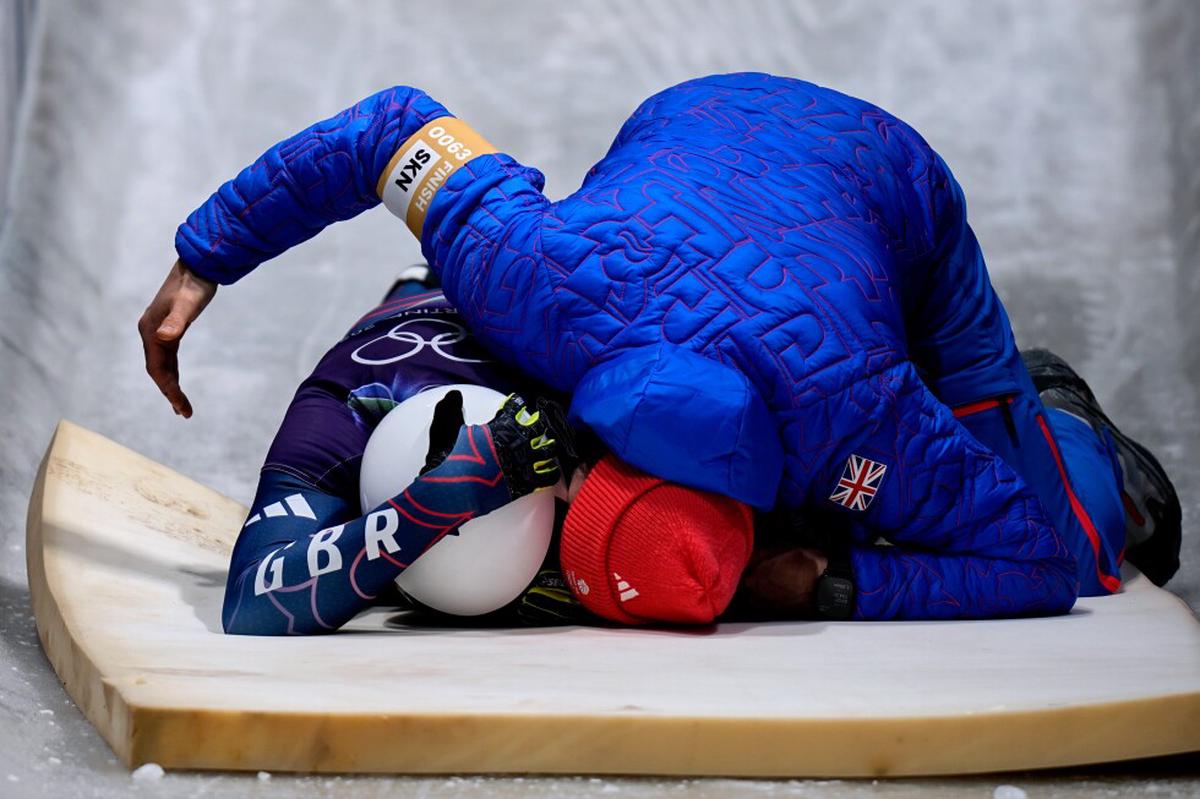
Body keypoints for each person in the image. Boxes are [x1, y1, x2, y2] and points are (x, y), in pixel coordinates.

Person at [141, 73, 1181, 625]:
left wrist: (832, 585)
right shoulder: (534, 281)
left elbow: (1031, 563)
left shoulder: (859, 419)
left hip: (885, 174)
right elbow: (392, 130)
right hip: (704, 117)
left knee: (1075, 545)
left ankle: (1072, 421)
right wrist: (203, 257)